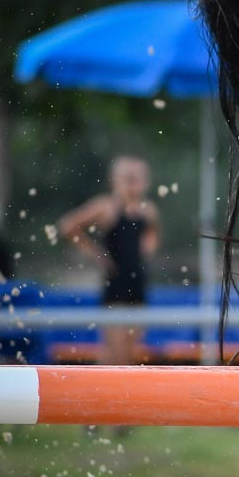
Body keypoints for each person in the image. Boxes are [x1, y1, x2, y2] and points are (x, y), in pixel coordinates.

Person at [55, 156, 159, 365]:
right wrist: (96, 254)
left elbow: (153, 235)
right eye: (130, 178)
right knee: (115, 354)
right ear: (116, 180)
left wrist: (146, 250)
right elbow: (67, 226)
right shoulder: (106, 207)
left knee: (131, 354)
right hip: (116, 288)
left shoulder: (147, 210)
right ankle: (100, 394)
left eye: (139, 178)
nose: (135, 183)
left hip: (138, 285)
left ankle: (123, 396)